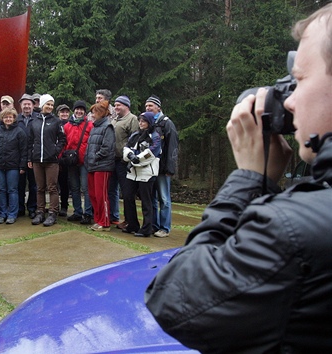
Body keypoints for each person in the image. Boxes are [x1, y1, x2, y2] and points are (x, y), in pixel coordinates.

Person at [145, 5, 332, 352]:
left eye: (301, 79)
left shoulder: (292, 231)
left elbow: (174, 297)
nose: (288, 102)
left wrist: (248, 177)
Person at [27, 94, 66, 227]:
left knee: (52, 187)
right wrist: (30, 157)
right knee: (40, 188)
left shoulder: (56, 121)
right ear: (42, 105)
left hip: (51, 161)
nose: (49, 106)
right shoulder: (34, 121)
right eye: (47, 104)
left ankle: (53, 213)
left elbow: (62, 139)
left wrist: (55, 151)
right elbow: (30, 141)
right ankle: (40, 212)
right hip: (37, 159)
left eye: (51, 104)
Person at [121, 112, 160, 237]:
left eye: (144, 121)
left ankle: (146, 228)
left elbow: (153, 152)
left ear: (149, 122)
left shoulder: (155, 136)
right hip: (133, 172)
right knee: (127, 197)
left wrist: (137, 158)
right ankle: (132, 224)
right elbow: (126, 148)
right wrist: (131, 156)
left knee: (146, 201)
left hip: (147, 173)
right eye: (140, 121)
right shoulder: (135, 134)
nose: (141, 123)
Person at [145, 94, 178, 237]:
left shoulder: (167, 123)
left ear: (158, 107)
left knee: (164, 199)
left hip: (163, 168)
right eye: (146, 106)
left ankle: (165, 228)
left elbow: (172, 147)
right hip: (151, 168)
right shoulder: (150, 124)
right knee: (152, 198)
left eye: (150, 106)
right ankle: (154, 225)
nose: (148, 108)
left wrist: (170, 168)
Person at [0, 108, 27, 224]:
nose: (8, 119)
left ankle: (12, 214)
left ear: (14, 118)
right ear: (2, 118)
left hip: (13, 166)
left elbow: (23, 150)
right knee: (0, 190)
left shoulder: (20, 132)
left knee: (12, 190)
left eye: (10, 117)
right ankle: (2, 213)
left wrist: (22, 166)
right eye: (6, 117)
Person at [84, 101, 115, 232]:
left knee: (101, 195)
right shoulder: (94, 127)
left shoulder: (108, 127)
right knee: (93, 194)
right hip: (92, 165)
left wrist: (94, 157)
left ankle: (105, 222)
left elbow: (106, 148)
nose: (92, 114)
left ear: (101, 113)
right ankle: (98, 220)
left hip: (102, 166)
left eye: (94, 112)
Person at [111, 95, 139, 230]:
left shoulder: (132, 119)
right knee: (112, 191)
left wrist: (127, 158)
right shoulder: (115, 119)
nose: (116, 107)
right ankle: (113, 216)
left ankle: (131, 222)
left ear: (126, 106)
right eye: (115, 105)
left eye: (119, 105)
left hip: (124, 162)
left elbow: (135, 140)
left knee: (127, 193)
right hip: (112, 160)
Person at [63, 100, 93, 225]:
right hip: (71, 161)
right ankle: (77, 211)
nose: (79, 111)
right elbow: (64, 143)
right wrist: (63, 157)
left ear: (85, 112)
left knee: (86, 188)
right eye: (77, 109)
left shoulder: (90, 125)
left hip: (84, 161)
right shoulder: (67, 126)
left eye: (82, 109)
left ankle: (88, 213)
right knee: (74, 187)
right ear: (73, 110)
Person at [16, 94, 39, 218]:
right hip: (19, 157)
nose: (26, 106)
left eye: (29, 104)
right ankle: (20, 208)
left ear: (33, 105)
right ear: (20, 106)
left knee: (33, 185)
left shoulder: (38, 118)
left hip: (33, 157)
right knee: (19, 185)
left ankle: (32, 208)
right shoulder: (16, 119)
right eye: (24, 104)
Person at [56, 104, 71, 217]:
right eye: (62, 112)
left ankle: (64, 206)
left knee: (64, 184)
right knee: (53, 184)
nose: (64, 114)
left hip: (66, 158)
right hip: (54, 157)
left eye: (66, 112)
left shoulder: (71, 125)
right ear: (58, 113)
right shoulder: (55, 124)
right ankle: (54, 205)